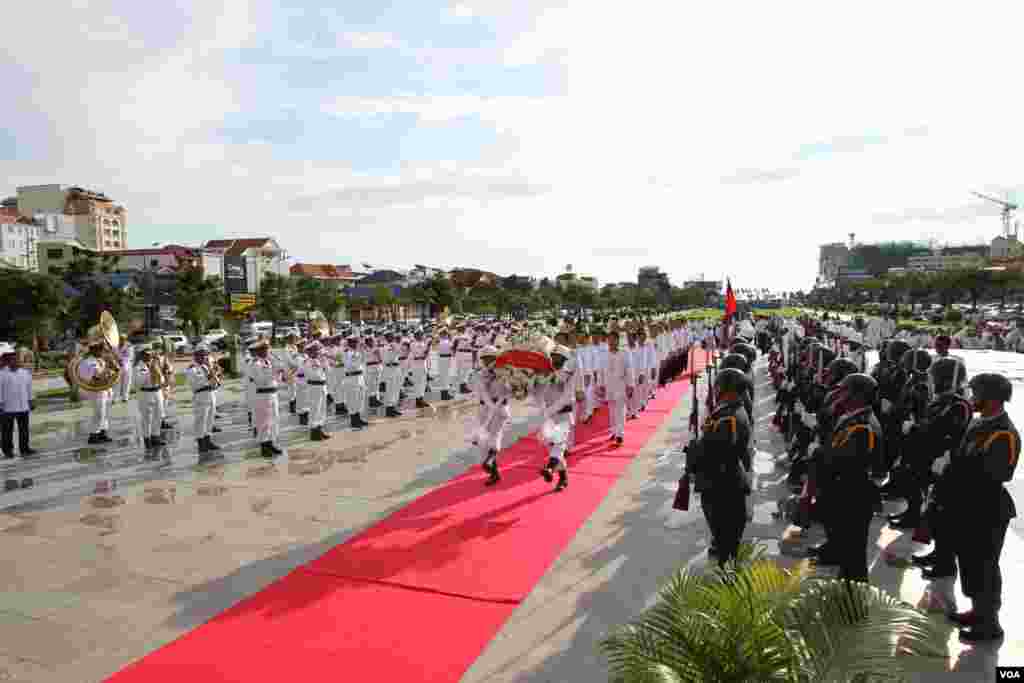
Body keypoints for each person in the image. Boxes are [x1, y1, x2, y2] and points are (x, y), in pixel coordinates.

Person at [945, 372, 1019, 643]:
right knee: (969, 562)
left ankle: (989, 624)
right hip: (968, 504)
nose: (971, 398)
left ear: (991, 398)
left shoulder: (1004, 433)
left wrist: (957, 469)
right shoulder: (979, 423)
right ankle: (978, 611)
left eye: (976, 393)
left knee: (985, 566)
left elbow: (998, 474)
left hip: (987, 509)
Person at [687, 367, 753, 565]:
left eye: (718, 386)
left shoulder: (728, 418)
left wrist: (694, 450)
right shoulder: (731, 411)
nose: (715, 390)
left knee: (726, 542)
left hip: (722, 485)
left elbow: (714, 454)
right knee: (726, 538)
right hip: (727, 481)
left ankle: (727, 578)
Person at [821, 373, 882, 582]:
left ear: (857, 395)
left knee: (853, 556)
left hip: (853, 497)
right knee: (847, 552)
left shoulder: (862, 427)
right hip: (847, 493)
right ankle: (845, 594)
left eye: (845, 391)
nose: (840, 394)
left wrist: (822, 455)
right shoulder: (852, 418)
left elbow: (846, 463)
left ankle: (853, 604)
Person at [537, 345, 578, 492]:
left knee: (558, 447)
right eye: (553, 357)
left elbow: (566, 398)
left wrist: (548, 411)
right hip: (549, 418)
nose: (554, 359)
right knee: (552, 448)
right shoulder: (546, 375)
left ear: (564, 359)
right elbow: (540, 394)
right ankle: (563, 477)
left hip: (563, 416)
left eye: (558, 357)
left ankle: (548, 468)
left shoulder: (569, 375)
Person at [473, 346, 510, 485]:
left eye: (490, 358)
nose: (487, 361)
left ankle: (490, 461)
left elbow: (509, 391)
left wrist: (504, 379)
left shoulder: (505, 373)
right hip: (485, 409)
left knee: (495, 436)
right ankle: (494, 473)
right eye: (485, 358)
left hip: (500, 409)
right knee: (483, 444)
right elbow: (482, 392)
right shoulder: (480, 374)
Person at [248, 339, 284, 457]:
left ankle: (270, 443)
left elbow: (276, 380)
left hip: (272, 393)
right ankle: (264, 445)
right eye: (265, 349)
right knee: (264, 421)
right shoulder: (255, 364)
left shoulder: (267, 362)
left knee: (274, 420)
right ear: (259, 351)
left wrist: (279, 372)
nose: (268, 351)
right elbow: (260, 380)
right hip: (263, 395)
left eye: (268, 349)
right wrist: (274, 372)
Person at [186, 345, 222, 456]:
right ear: (196, 356)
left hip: (210, 394)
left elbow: (214, 382)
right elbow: (199, 383)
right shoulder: (192, 369)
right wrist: (211, 374)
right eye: (201, 355)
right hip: (201, 395)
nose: (204, 357)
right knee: (201, 420)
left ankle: (208, 440)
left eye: (205, 354)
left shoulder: (206, 367)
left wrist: (214, 373)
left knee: (210, 419)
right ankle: (201, 443)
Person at [79, 330, 114, 445]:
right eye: (100, 350)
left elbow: (107, 374)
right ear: (94, 350)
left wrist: (110, 370)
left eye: (102, 350)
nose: (103, 352)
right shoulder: (88, 362)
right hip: (95, 391)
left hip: (105, 390)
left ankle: (102, 433)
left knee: (104, 413)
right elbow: (94, 378)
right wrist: (106, 368)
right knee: (98, 413)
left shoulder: (100, 360)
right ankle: (93, 435)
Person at [0, 350, 36, 458]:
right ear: (7, 361)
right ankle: (8, 451)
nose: (15, 361)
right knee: (7, 431)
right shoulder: (2, 374)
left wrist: (31, 400)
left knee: (24, 429)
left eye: (16, 359)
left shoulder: (25, 373)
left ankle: (24, 448)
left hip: (23, 406)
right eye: (12, 360)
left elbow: (29, 388)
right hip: (7, 408)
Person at [132, 346, 167, 452]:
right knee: (147, 418)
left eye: (150, 354)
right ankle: (147, 439)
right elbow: (138, 383)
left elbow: (162, 379)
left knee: (159, 415)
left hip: (157, 392)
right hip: (145, 393)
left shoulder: (155, 365)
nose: (149, 356)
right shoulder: (137, 367)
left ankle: (155, 436)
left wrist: (158, 371)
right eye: (146, 354)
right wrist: (150, 372)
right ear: (141, 355)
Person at [303, 341, 332, 441]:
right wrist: (320, 364)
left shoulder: (320, 361)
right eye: (316, 350)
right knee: (315, 410)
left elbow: (329, 371)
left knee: (321, 409)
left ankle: (319, 428)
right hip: (314, 387)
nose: (318, 352)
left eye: (318, 350)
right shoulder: (308, 362)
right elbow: (313, 375)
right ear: (310, 352)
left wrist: (324, 362)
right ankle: (314, 432)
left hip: (322, 387)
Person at [436, 328, 453, 401]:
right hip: (446, 359)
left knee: (443, 376)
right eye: (446, 334)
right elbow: (452, 350)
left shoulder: (440, 342)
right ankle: (445, 394)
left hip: (441, 359)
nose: (447, 335)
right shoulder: (447, 342)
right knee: (445, 376)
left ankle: (444, 393)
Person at [115, 337, 134, 402]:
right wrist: (118, 361)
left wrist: (121, 361)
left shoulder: (129, 346)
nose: (122, 340)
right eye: (121, 339)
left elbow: (129, 356)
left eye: (123, 339)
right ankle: (116, 397)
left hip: (127, 365)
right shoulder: (116, 345)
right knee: (117, 382)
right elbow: (114, 354)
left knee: (127, 382)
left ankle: (125, 397)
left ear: (125, 340)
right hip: (117, 366)